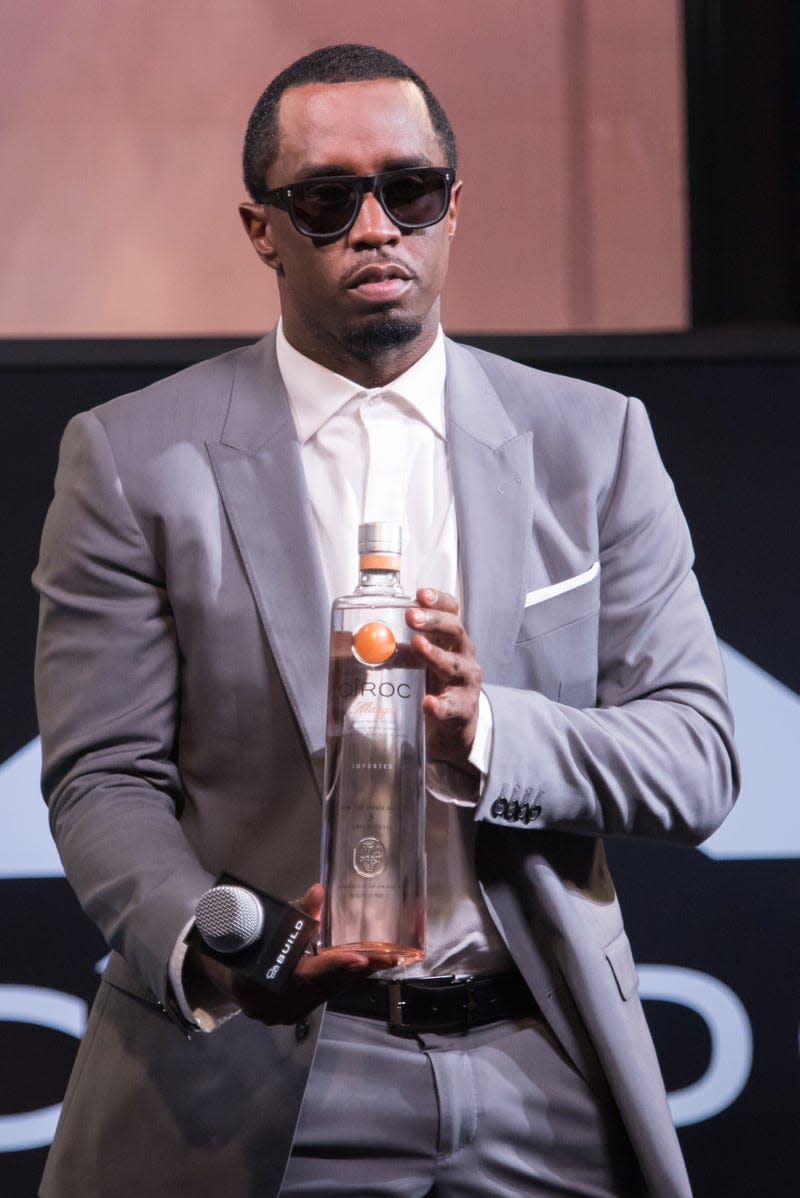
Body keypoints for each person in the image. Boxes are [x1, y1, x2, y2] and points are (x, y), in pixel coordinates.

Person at [33, 43, 738, 1198]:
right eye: (326, 200)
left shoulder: (592, 442)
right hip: (264, 1064)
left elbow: (699, 758)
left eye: (406, 190)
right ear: (262, 226)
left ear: (451, 208)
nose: (375, 226)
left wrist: (493, 729)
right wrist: (231, 936)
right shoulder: (131, 459)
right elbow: (102, 780)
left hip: (542, 1054)